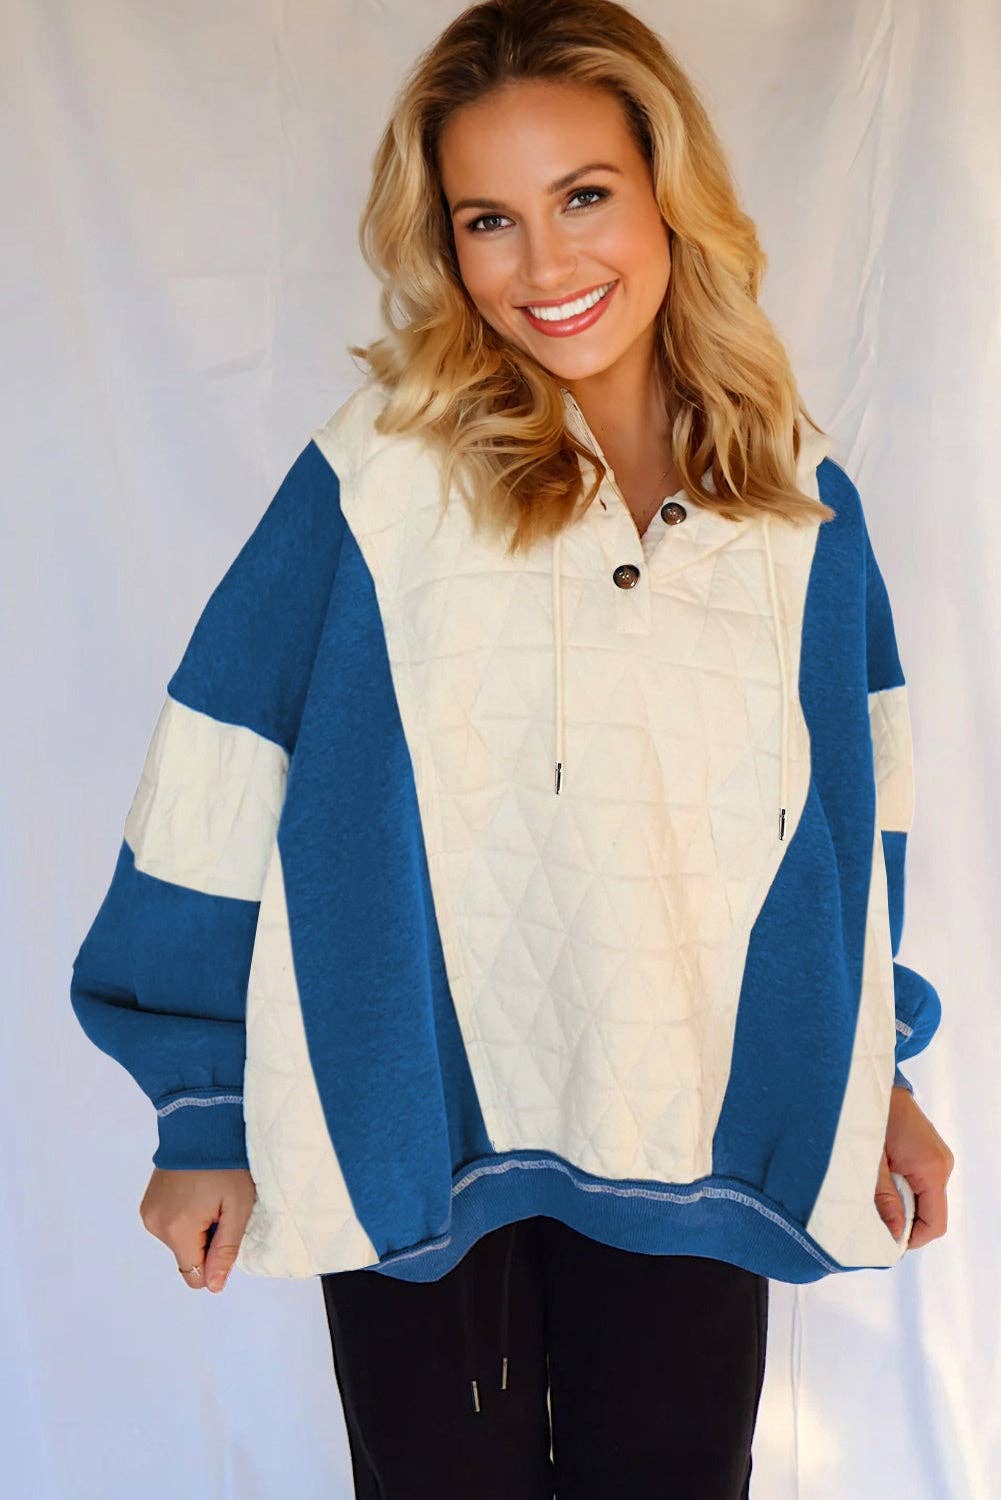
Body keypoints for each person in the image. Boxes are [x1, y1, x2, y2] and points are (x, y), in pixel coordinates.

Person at [69, 1, 955, 1495]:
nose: (543, 266)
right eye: (489, 219)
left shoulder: (795, 502)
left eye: (583, 196)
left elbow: (854, 830)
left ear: (668, 192)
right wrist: (202, 1107)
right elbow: (217, 770)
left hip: (693, 1131)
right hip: (421, 1130)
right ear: (445, 241)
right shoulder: (379, 478)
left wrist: (886, 1072)